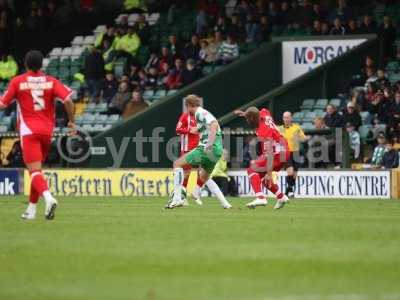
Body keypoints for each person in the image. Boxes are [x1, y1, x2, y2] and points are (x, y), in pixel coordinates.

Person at [0, 50, 76, 220]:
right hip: (47, 132)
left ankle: (49, 198)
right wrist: (71, 121)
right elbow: (69, 101)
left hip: (29, 131)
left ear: (26, 64)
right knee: (36, 171)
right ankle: (31, 210)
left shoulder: (18, 81)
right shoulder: (52, 81)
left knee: (34, 171)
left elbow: (3, 104)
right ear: (42, 64)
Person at [166, 94, 232, 209]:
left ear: (190, 105)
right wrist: (196, 129)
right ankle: (224, 203)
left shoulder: (199, 113)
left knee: (177, 164)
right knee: (205, 177)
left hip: (206, 148)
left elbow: (214, 124)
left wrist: (210, 143)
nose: (187, 110)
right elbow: (207, 126)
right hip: (217, 152)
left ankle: (177, 199)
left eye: (187, 107)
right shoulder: (203, 114)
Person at [234, 107, 289, 209]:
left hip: (278, 153)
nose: (247, 121)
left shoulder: (264, 131)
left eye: (248, 119)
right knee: (262, 178)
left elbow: (270, 153)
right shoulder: (264, 113)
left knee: (252, 169)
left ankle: (261, 198)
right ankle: (281, 197)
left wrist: (269, 173)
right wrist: (245, 113)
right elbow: (260, 111)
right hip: (284, 148)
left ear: (253, 119)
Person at [174, 109, 203, 206]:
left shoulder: (200, 117)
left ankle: (196, 191)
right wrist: (189, 130)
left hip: (198, 148)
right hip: (187, 149)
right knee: (186, 173)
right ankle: (182, 197)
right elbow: (177, 129)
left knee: (204, 169)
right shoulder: (185, 116)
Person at [279, 111, 308, 198]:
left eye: (288, 117)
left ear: (291, 118)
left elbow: (303, 138)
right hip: (285, 153)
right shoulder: (279, 129)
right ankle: (290, 191)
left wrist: (303, 138)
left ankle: (288, 191)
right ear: (283, 119)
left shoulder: (296, 128)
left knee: (294, 174)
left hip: (295, 153)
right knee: (290, 172)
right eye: (284, 117)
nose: (286, 119)